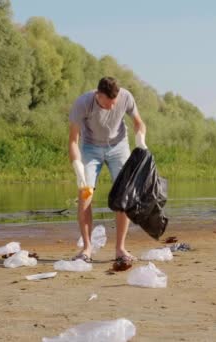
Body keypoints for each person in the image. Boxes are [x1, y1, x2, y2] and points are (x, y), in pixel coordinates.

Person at [68, 76, 147, 263]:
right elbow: (73, 140)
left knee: (123, 197)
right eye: (107, 104)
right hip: (90, 148)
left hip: (119, 147)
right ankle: (87, 249)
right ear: (98, 95)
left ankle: (120, 249)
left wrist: (141, 139)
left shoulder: (126, 97)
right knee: (85, 195)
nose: (112, 107)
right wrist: (78, 166)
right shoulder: (83, 103)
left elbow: (138, 122)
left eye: (115, 103)